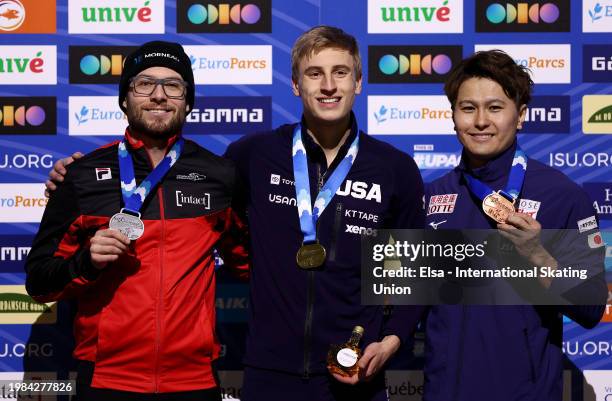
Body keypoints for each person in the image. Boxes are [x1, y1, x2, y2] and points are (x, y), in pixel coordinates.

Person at [46, 26, 426, 400]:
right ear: (295, 85)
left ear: (358, 82)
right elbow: (179, 191)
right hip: (268, 371)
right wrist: (77, 177)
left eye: (340, 73)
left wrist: (390, 342)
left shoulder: (395, 169)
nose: (328, 86)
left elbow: (414, 276)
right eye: (315, 73)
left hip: (355, 368)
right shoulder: (253, 156)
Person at [26, 41, 248, 401]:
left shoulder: (220, 176)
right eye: (144, 84)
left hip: (193, 383)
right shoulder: (81, 177)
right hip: (105, 381)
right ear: (125, 99)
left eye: (173, 85)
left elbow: (251, 264)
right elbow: (39, 285)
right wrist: (87, 262)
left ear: (187, 101)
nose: (159, 95)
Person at [423, 50, 607, 401]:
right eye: (467, 108)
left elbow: (592, 306)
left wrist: (538, 255)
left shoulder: (562, 196)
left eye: (495, 108)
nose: (480, 121)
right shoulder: (434, 196)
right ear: (452, 116)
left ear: (520, 115)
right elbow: (406, 303)